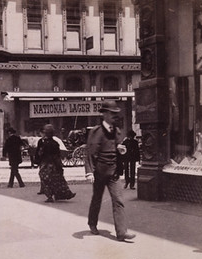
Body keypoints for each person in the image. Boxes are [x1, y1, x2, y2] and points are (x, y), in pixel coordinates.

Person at [84, 100, 136, 241]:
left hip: (113, 173)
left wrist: (121, 149)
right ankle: (92, 223)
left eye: (116, 113)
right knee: (97, 199)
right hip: (99, 172)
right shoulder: (96, 131)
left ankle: (121, 232)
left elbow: (118, 145)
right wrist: (89, 171)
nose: (115, 116)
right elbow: (89, 152)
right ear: (105, 114)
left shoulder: (117, 131)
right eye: (112, 113)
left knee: (118, 200)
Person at [34, 124, 76, 202]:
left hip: (49, 164)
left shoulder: (49, 143)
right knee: (55, 179)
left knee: (49, 179)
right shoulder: (49, 142)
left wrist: (37, 160)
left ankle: (52, 195)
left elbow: (43, 153)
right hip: (49, 164)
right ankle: (57, 194)